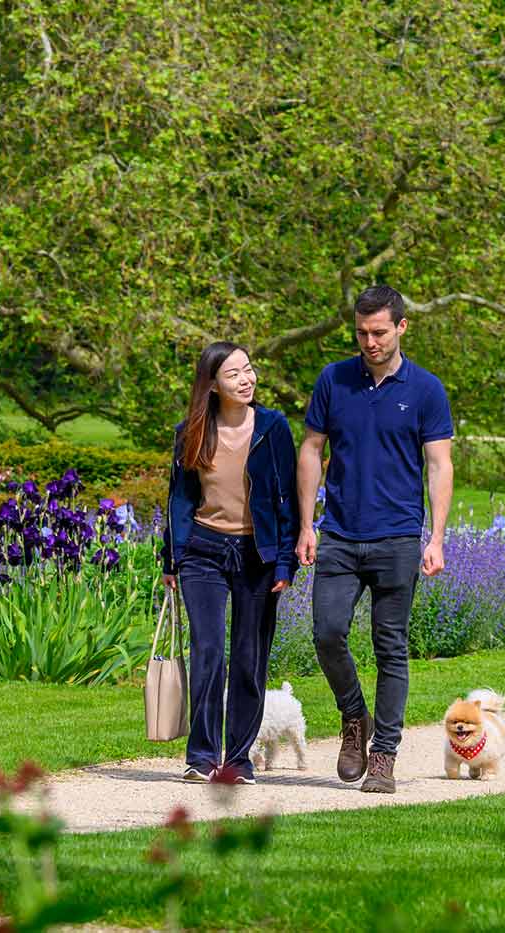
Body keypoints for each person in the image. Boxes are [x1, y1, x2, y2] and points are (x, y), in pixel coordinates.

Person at [295, 285, 454, 794]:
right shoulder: (333, 379)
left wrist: (436, 537)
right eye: (362, 333)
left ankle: (384, 754)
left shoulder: (426, 389)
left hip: (398, 537)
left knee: (391, 647)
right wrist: (306, 524)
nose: (370, 342)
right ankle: (353, 717)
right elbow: (311, 450)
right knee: (327, 633)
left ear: (402, 327)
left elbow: (439, 464)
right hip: (339, 533)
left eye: (379, 332)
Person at [161, 341, 298, 785]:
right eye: (234, 374)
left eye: (248, 369)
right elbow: (179, 499)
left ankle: (239, 759)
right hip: (203, 551)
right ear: (213, 385)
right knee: (207, 652)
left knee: (248, 658)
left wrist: (285, 563)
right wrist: (171, 557)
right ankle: (201, 756)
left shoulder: (273, 427)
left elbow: (288, 499)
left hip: (258, 555)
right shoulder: (190, 431)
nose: (246, 379)